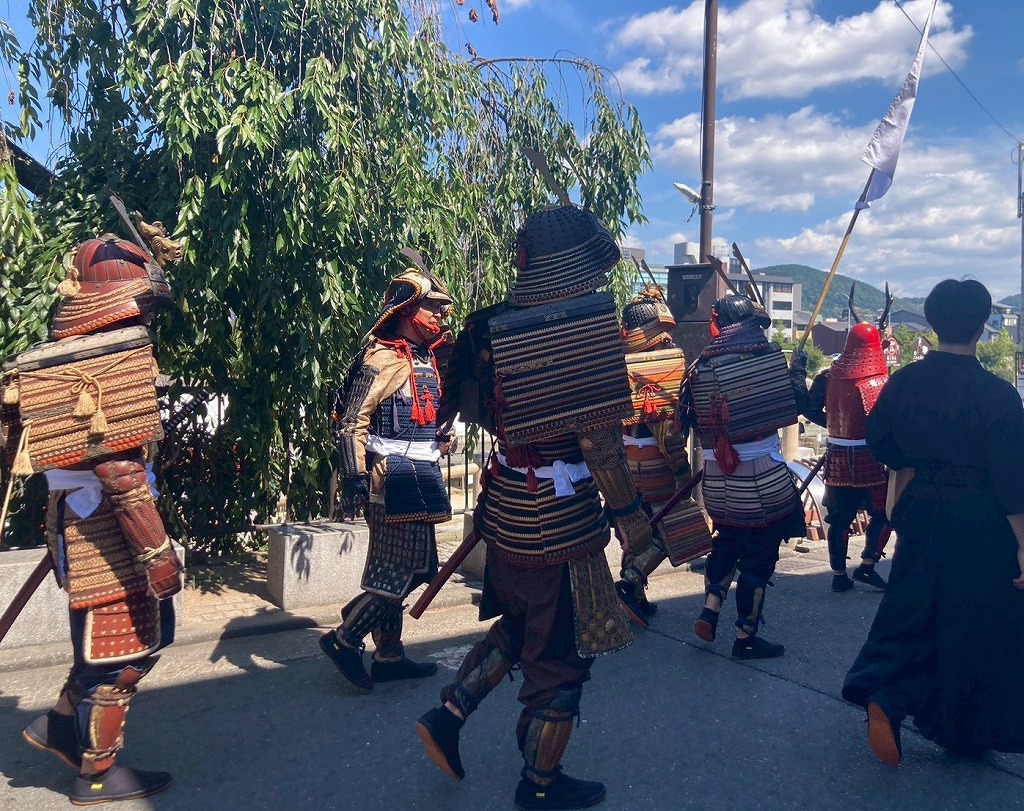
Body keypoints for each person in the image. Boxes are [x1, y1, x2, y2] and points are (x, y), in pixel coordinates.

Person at [415, 204, 654, 810]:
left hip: (506, 513)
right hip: (559, 520)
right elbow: (601, 444)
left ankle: (448, 714)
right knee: (562, 658)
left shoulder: (487, 326)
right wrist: (634, 525)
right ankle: (540, 785)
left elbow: (457, 410)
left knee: (520, 628)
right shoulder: (579, 329)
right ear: (572, 261)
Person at [4, 231, 183, 804]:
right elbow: (121, 473)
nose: (150, 312)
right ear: (120, 297)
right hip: (107, 526)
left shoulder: (64, 360)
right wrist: (157, 555)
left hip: (74, 522)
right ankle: (96, 773)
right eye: (145, 300)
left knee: (104, 645)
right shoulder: (108, 359)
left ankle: (58, 721)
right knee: (129, 655)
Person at [842, 278, 1024, 765]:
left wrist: (915, 463)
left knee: (913, 599)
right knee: (975, 618)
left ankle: (886, 691)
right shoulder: (999, 395)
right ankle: (964, 727)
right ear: (984, 325)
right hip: (982, 516)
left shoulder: (906, 381)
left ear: (933, 321)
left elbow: (878, 438)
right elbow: (1012, 475)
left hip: (922, 504)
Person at [321, 264, 455, 691]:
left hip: (422, 472)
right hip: (388, 479)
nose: (440, 316)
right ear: (406, 309)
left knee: (416, 568)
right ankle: (346, 637)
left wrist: (440, 436)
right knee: (401, 572)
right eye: (432, 307)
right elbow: (350, 423)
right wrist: (355, 477)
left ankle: (389, 654)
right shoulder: (380, 357)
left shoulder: (425, 359)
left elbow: (418, 418)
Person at [680, 294, 808, 659]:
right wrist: (796, 369)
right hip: (761, 479)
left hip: (717, 480)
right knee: (758, 556)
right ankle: (745, 635)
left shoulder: (698, 368)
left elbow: (686, 420)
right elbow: (797, 404)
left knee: (727, 540)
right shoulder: (765, 358)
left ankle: (711, 608)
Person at [614, 286, 711, 626]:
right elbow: (667, 432)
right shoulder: (667, 363)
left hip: (621, 461)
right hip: (655, 460)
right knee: (664, 528)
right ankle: (630, 583)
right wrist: (682, 472)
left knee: (633, 526)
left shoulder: (613, 361)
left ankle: (637, 597)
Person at [803, 315, 891, 592]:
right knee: (884, 514)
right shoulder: (879, 382)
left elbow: (809, 408)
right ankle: (867, 565)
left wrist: (831, 427)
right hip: (870, 458)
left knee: (839, 519)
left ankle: (839, 574)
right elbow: (884, 423)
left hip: (837, 456)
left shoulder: (827, 377)